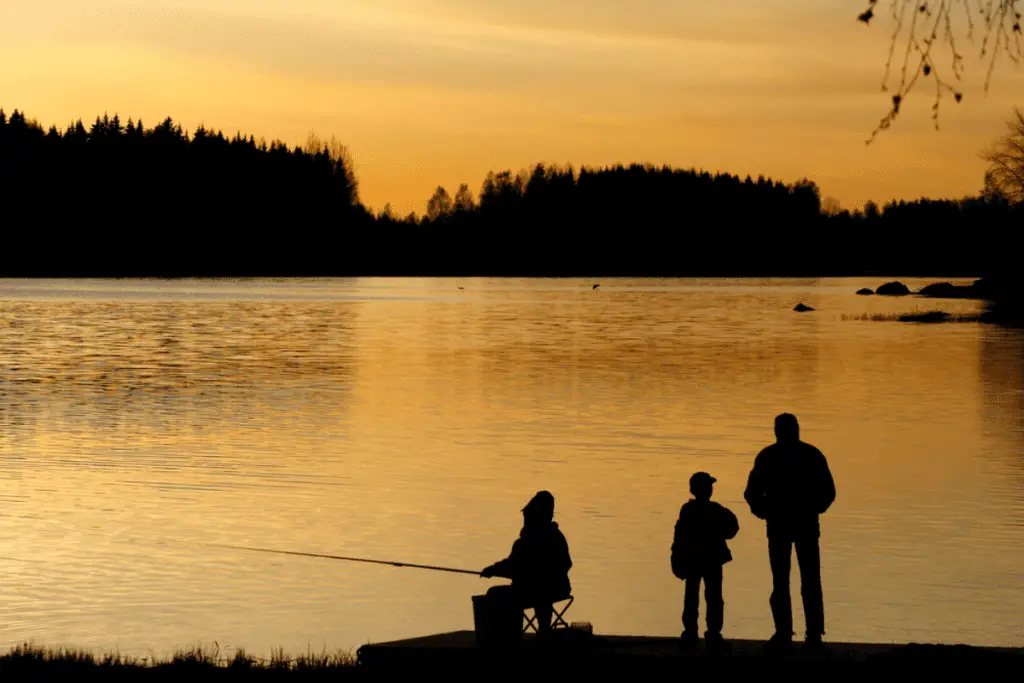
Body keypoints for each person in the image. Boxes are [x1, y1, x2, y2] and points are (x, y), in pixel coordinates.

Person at [744, 413, 836, 652]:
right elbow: (752, 493)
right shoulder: (806, 455)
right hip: (787, 525)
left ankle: (802, 634)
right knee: (795, 581)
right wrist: (765, 511)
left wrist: (766, 511)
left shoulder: (776, 456)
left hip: (794, 525)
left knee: (795, 581)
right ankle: (799, 634)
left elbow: (827, 492)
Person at [480, 491, 572, 635]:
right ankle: (543, 631)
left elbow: (512, 567)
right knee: (539, 591)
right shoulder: (557, 536)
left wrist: (492, 570)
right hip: (560, 588)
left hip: (541, 590)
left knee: (495, 593)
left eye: (527, 516)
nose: (524, 521)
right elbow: (567, 564)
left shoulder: (527, 542)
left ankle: (506, 635)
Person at [671, 472, 739, 653]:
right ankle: (713, 635)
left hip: (694, 560)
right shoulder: (716, 510)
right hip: (712, 560)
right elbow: (732, 528)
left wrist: (677, 557)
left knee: (692, 597)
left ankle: (691, 634)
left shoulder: (688, 510)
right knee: (713, 597)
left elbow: (679, 536)